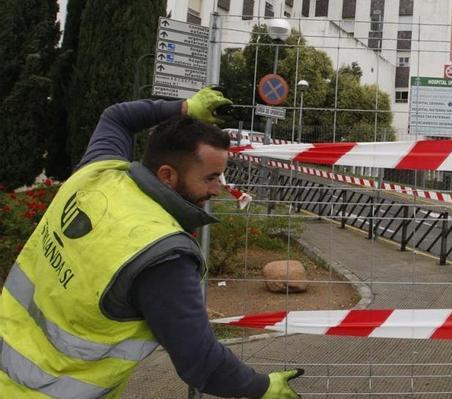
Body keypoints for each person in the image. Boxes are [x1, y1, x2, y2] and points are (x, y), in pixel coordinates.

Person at [0, 87, 300, 398]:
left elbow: (116, 117)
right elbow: (201, 361)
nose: (217, 190)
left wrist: (185, 108)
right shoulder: (162, 255)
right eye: (210, 178)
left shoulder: (97, 174)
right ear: (167, 175)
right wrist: (262, 388)